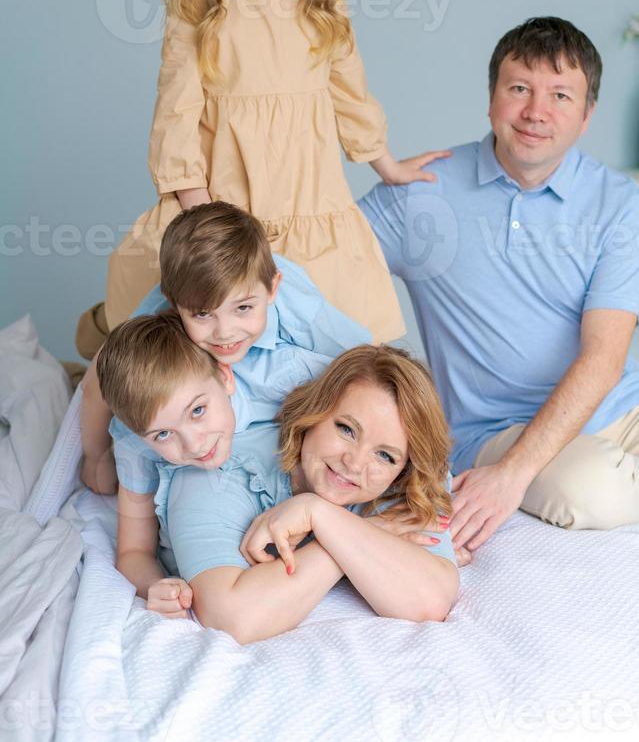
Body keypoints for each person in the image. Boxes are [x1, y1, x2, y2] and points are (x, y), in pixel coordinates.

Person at [76, 0, 451, 358]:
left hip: (308, 201)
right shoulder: (200, 3)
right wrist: (203, 219)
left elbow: (349, 88)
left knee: (329, 347)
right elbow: (177, 113)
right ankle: (97, 367)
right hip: (224, 204)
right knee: (186, 341)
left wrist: (386, 163)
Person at [359, 16, 639, 552]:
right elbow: (318, 264)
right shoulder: (421, 192)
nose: (536, 112)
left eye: (561, 96)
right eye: (519, 88)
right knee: (592, 492)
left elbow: (605, 359)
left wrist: (514, 481)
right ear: (491, 98)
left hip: (628, 409)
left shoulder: (619, 202)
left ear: (587, 116)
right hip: (498, 431)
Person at [163, 345, 459, 643]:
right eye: (346, 429)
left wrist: (318, 514)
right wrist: (356, 536)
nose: (354, 464)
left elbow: (430, 601)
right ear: (314, 412)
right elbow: (233, 618)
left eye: (384, 455)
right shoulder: (217, 474)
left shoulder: (406, 484)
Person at [81, 201, 371, 495]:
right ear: (173, 302)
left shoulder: (297, 307)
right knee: (103, 345)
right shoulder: (159, 310)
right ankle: (94, 326)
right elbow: (98, 385)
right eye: (203, 314)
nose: (225, 332)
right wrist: (95, 458)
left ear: (272, 290)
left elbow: (370, 361)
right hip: (143, 330)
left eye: (244, 308)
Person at [96, 311, 237, 619]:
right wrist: (156, 584)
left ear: (225, 377)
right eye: (163, 434)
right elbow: (133, 552)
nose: (194, 444)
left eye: (198, 410)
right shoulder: (135, 449)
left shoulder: (270, 395)